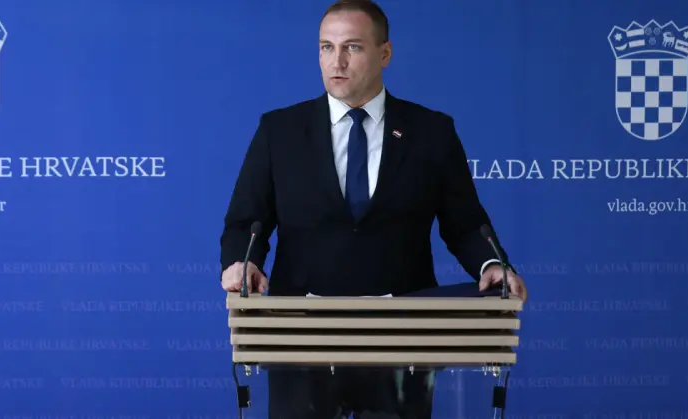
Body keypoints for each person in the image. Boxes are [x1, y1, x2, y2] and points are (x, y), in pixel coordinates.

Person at [220, 0, 527, 417]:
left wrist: (492, 264)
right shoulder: (280, 131)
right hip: (301, 336)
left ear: (385, 53)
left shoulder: (431, 132)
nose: (337, 61)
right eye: (326, 47)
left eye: (353, 47)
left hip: (401, 340)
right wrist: (243, 262)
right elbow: (246, 222)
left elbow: (466, 223)